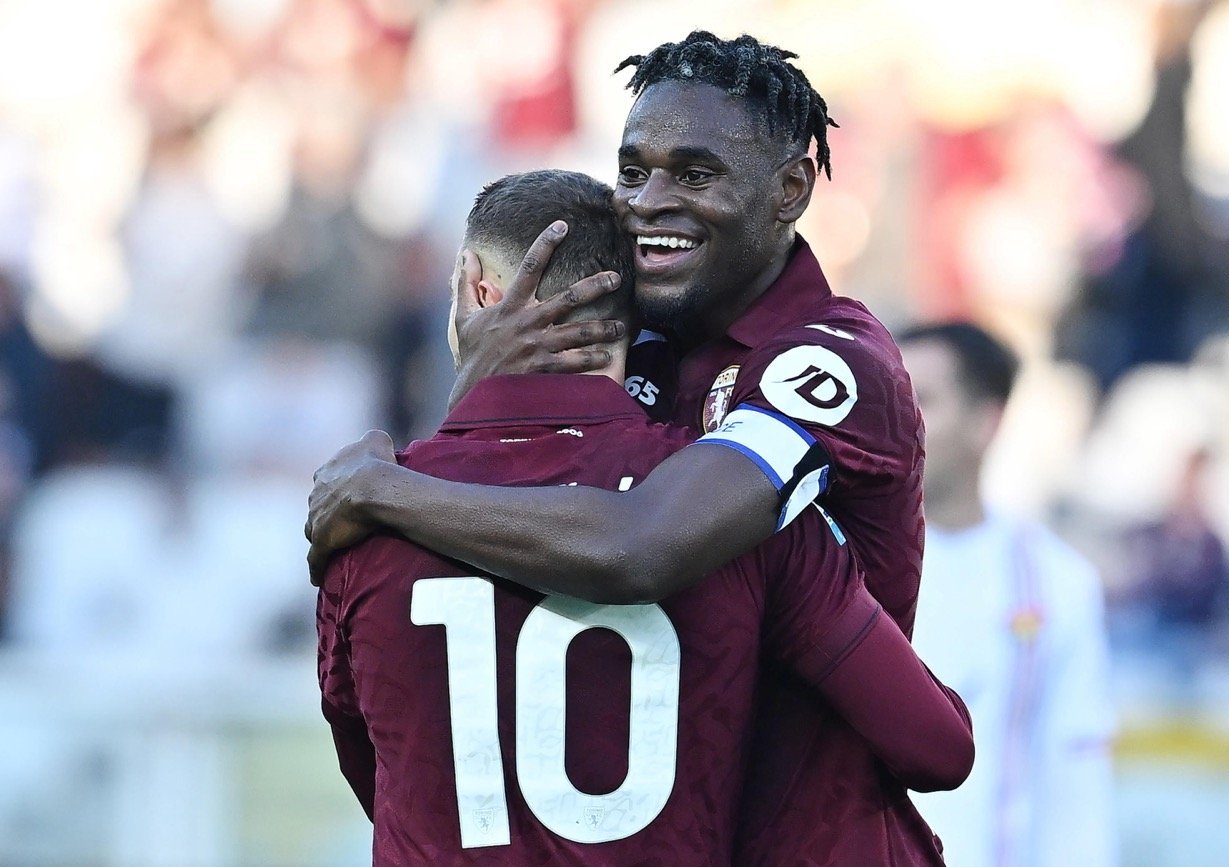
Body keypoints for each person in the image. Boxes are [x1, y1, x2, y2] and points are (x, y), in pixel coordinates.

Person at [308, 32, 934, 862]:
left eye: (695, 175)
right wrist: (478, 389)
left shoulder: (832, 361)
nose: (647, 201)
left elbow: (643, 545)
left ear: (790, 189)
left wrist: (385, 490)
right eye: (633, 171)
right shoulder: (638, 338)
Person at [898, 322, 1118, 867]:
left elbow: (1076, 778)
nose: (898, 418)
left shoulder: (1057, 583)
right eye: (890, 394)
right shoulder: (830, 561)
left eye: (923, 400)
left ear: (986, 422)